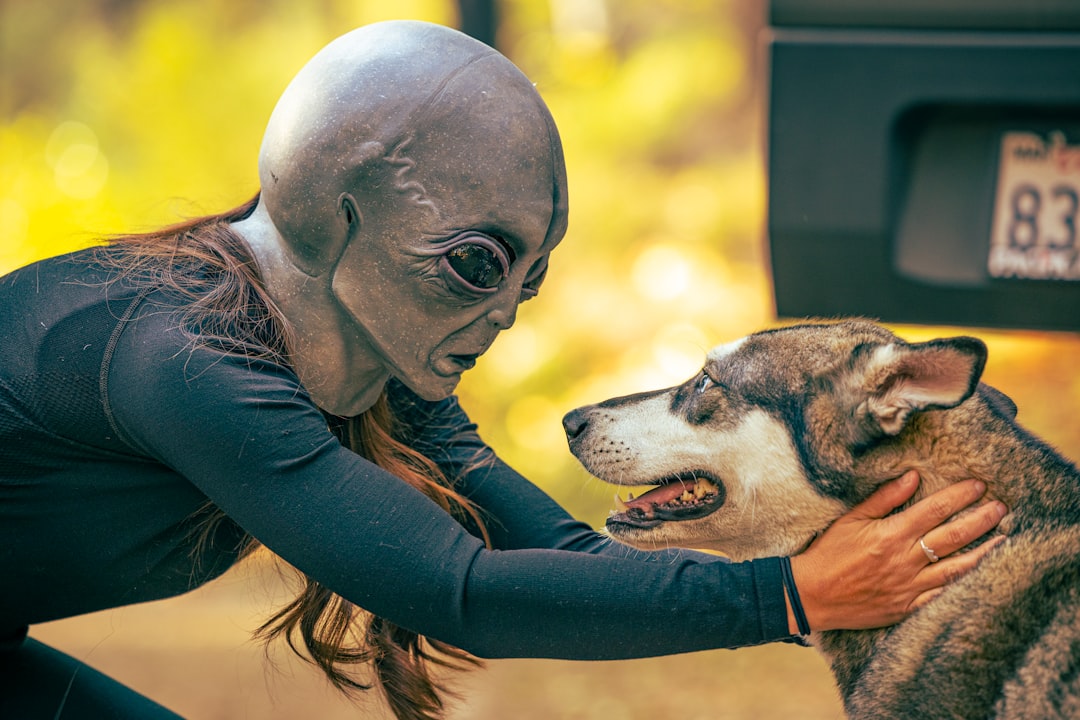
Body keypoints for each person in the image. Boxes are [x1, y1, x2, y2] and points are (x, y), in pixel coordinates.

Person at [0, 20, 1006, 720]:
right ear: (340, 210)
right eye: (475, 265)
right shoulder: (183, 358)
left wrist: (855, 589)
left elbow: (561, 554)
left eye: (525, 283)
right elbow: (461, 591)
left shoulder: (369, 357)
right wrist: (785, 599)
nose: (496, 320)